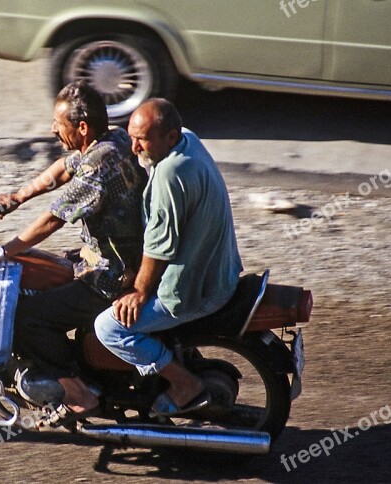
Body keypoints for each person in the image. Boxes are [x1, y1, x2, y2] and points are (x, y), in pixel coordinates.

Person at [0, 81, 145, 424]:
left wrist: (2, 252)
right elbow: (65, 167)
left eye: (58, 123)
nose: (52, 129)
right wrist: (18, 196)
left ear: (81, 127)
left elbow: (52, 220)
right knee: (45, 275)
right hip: (104, 257)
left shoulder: (99, 166)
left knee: (24, 315)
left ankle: (78, 394)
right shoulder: (114, 140)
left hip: (111, 275)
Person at [94, 98, 243, 417]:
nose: (134, 148)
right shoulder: (189, 140)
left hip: (195, 291)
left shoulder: (169, 175)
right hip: (220, 272)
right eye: (130, 137)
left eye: (142, 140)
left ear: (169, 137)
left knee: (109, 328)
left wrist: (139, 292)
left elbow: (159, 249)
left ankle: (184, 384)